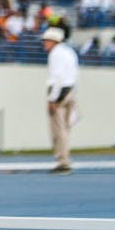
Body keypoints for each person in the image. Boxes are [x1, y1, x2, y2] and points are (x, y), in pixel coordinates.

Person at [41, 26, 78, 174]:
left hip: (60, 93)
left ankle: (63, 161)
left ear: (53, 41)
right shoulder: (70, 52)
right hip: (71, 91)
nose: (45, 44)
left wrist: (52, 99)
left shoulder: (55, 54)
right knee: (65, 129)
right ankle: (65, 157)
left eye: (47, 41)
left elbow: (57, 77)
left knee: (58, 129)